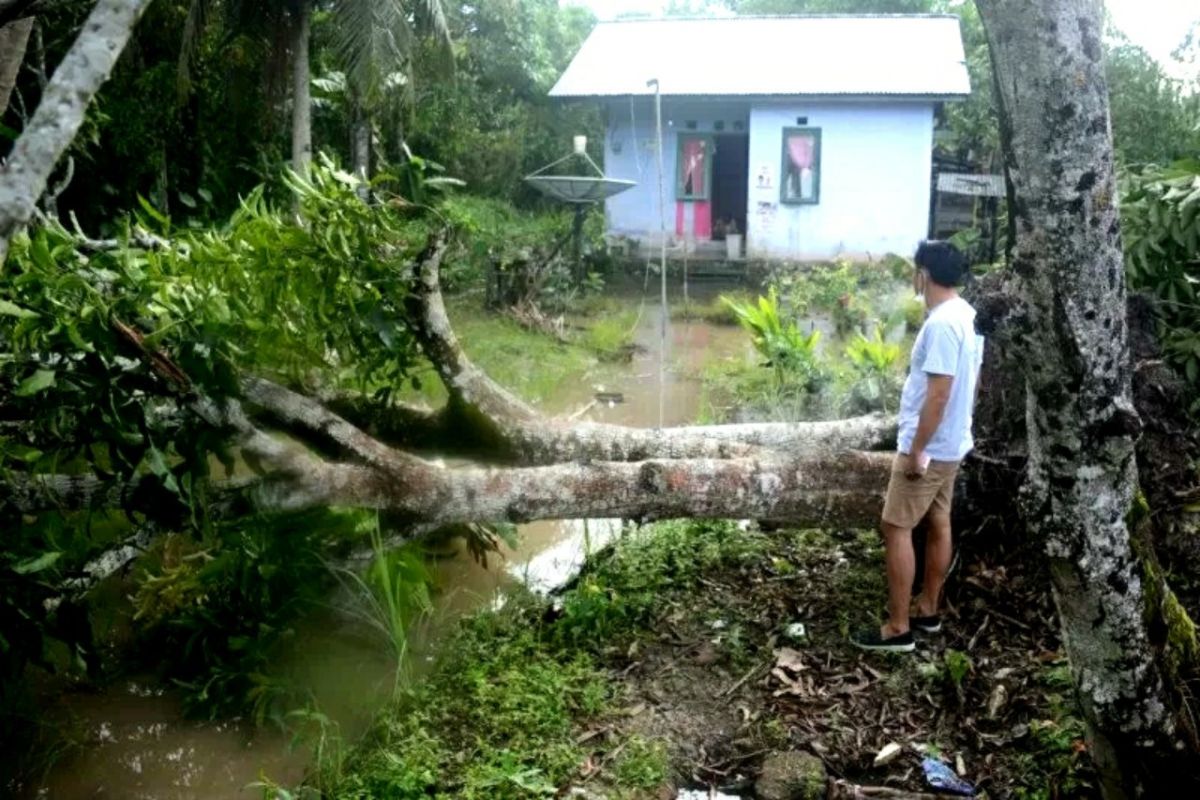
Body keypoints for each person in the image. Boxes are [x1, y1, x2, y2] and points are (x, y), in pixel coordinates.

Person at [851, 241, 984, 653]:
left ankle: (897, 628)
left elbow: (939, 393)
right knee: (938, 522)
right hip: (953, 444)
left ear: (923, 275)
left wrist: (916, 450)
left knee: (896, 527)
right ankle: (928, 610)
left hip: (931, 448)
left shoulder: (943, 324)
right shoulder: (969, 315)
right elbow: (973, 384)